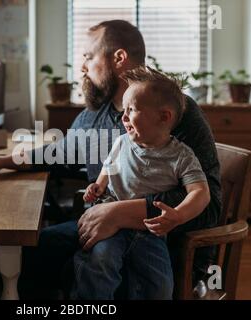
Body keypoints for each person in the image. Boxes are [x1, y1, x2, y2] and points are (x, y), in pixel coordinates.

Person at [0, 20, 221, 299]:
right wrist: (4, 161)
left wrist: (120, 212)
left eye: (88, 57)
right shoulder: (96, 115)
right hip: (104, 223)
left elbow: (211, 207)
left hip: (163, 242)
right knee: (36, 249)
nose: (82, 67)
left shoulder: (172, 113)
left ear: (119, 58)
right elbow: (58, 153)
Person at [73, 66, 210, 299]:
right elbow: (109, 167)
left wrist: (178, 215)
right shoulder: (122, 142)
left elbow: (201, 192)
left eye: (132, 110)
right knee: (99, 265)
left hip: (149, 231)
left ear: (164, 117)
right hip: (109, 226)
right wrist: (98, 185)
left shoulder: (182, 156)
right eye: (123, 110)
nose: (123, 117)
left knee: (160, 286)